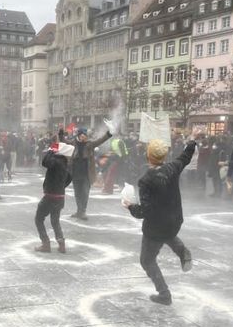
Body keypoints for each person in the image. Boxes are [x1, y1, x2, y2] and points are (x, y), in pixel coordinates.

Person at [124, 138, 195, 306]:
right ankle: (182, 251)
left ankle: (164, 293)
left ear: (148, 156)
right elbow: (185, 157)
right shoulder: (172, 168)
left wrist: (130, 206)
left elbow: (145, 211)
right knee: (168, 233)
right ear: (165, 154)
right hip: (174, 220)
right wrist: (192, 142)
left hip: (155, 226)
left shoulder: (146, 180)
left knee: (147, 260)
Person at [63, 122, 113, 220]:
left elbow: (100, 140)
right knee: (77, 192)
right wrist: (61, 133)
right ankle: (79, 211)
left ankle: (83, 211)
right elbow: (63, 141)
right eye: (83, 135)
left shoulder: (90, 144)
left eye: (86, 135)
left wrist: (109, 133)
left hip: (86, 173)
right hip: (75, 172)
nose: (85, 137)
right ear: (79, 135)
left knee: (85, 192)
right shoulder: (73, 143)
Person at [35, 142, 74, 253]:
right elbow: (70, 178)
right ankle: (61, 244)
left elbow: (45, 162)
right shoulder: (66, 163)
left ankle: (45, 243)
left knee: (39, 219)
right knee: (55, 221)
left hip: (50, 196)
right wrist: (61, 187)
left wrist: (51, 151)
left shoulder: (56, 161)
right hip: (60, 196)